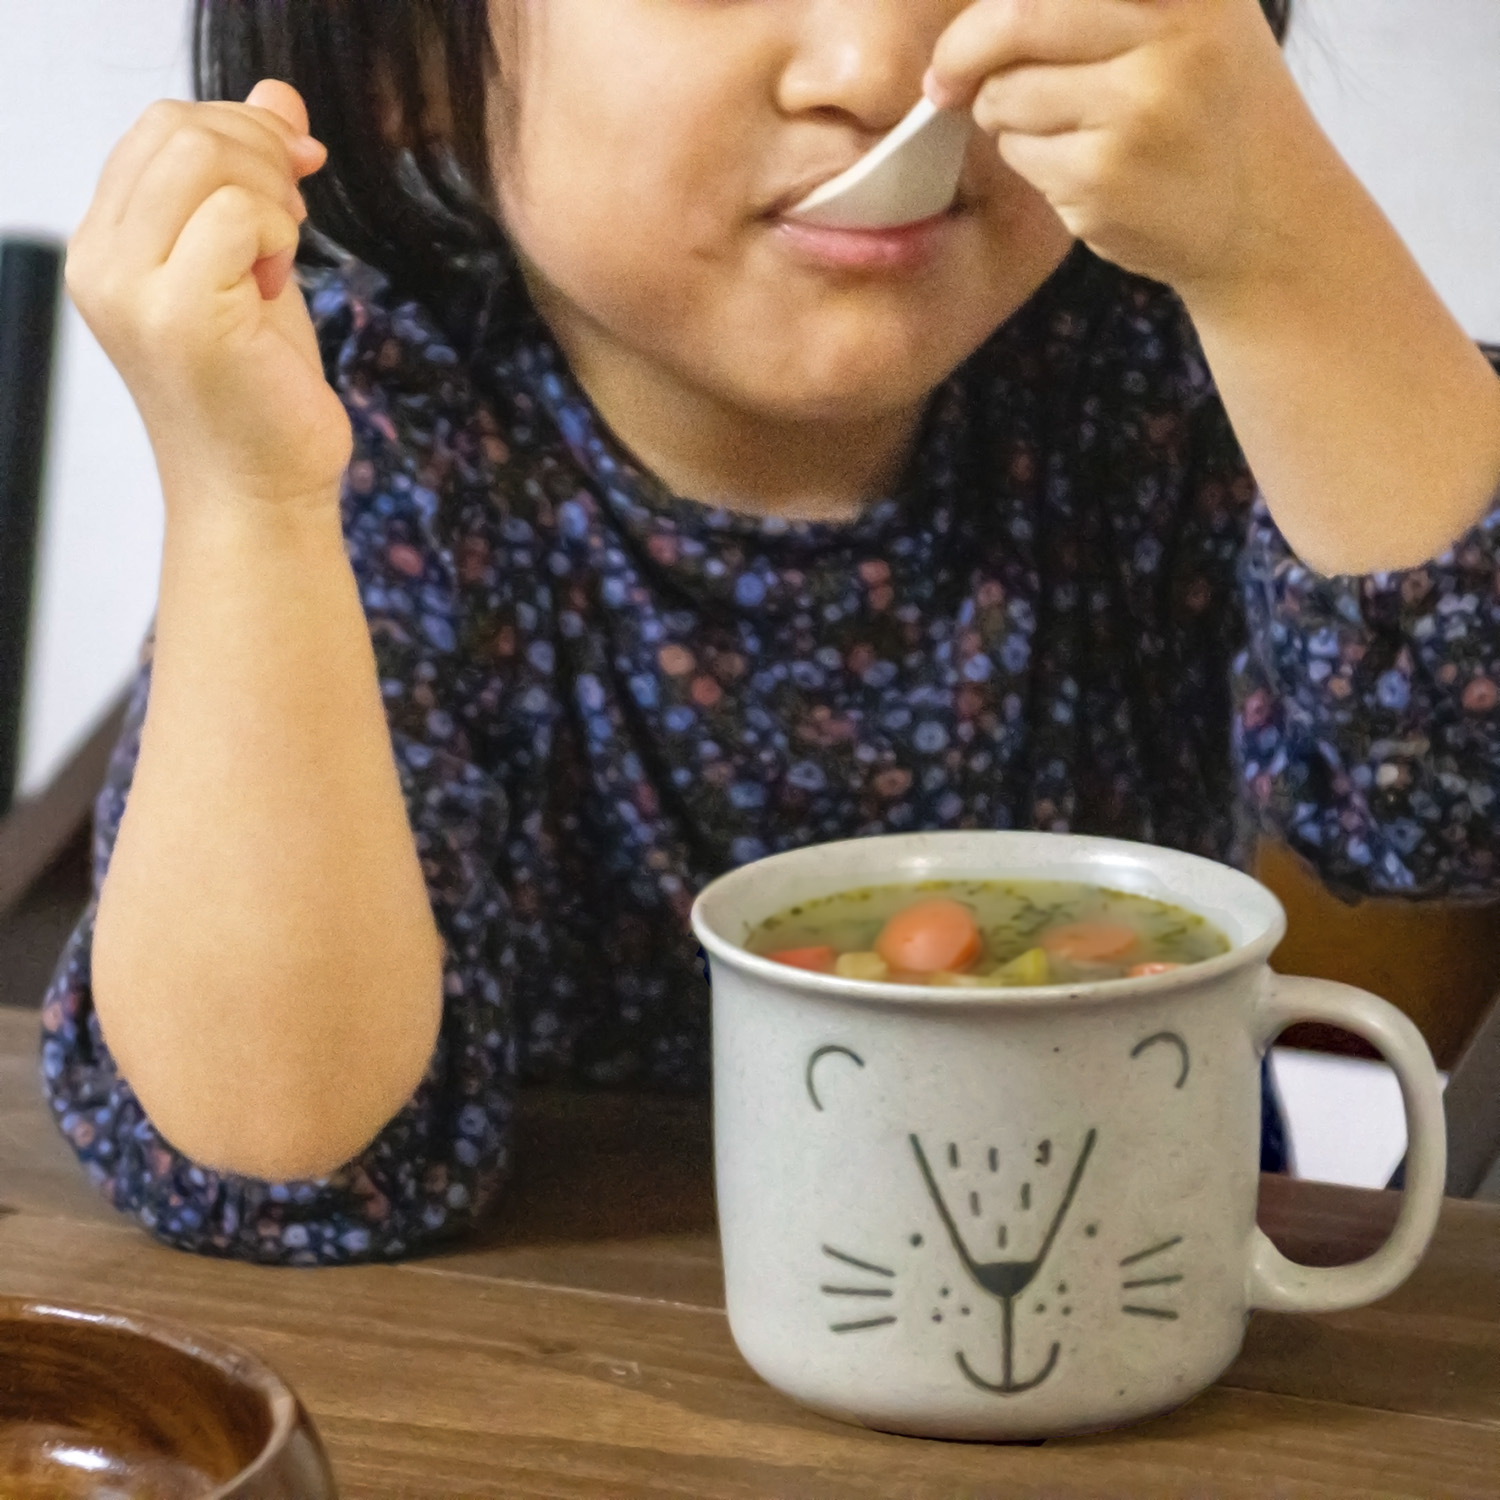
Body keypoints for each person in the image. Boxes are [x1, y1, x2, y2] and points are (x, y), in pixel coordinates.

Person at [44, 0, 1500, 1265]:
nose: (879, 63)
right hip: (549, 1355)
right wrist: (246, 499)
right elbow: (282, 1163)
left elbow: (1451, 802)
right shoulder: (368, 432)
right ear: (411, 61)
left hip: (1105, 1298)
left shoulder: (1164, 374)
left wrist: (1285, 239)